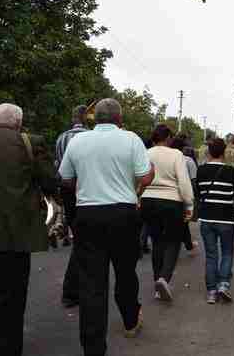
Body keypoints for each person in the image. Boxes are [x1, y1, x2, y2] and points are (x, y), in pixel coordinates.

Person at [59, 98, 155, 355]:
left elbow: (65, 179)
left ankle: (93, 348)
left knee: (91, 285)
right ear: (119, 119)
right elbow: (145, 176)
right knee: (125, 273)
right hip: (123, 214)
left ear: (95, 119)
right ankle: (130, 319)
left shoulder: (77, 141)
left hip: (88, 215)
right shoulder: (131, 139)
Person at [0, 103, 58, 356]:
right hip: (16, 236)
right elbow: (51, 182)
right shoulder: (30, 142)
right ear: (18, 122)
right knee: (12, 301)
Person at [141, 125, 194, 302]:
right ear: (169, 138)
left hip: (148, 200)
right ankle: (164, 278)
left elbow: (138, 177)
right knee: (173, 241)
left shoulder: (145, 153)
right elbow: (184, 181)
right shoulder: (176, 154)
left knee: (157, 242)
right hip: (171, 201)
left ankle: (157, 283)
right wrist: (189, 203)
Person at [196, 138, 234, 304]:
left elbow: (198, 194)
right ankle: (223, 285)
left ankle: (211, 292)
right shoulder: (231, 171)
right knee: (227, 252)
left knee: (211, 255)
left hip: (207, 218)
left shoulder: (201, 171)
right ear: (224, 152)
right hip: (226, 219)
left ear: (209, 152)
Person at [56, 105, 89, 308]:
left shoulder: (61, 138)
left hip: (66, 188)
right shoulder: (89, 136)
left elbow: (58, 166)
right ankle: (73, 289)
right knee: (85, 239)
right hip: (84, 189)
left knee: (78, 231)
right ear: (86, 118)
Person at [170, 135, 200, 255]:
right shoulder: (188, 160)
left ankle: (188, 244)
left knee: (181, 223)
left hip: (167, 196)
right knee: (183, 222)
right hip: (183, 196)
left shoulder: (163, 157)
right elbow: (193, 181)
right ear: (182, 148)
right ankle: (184, 245)